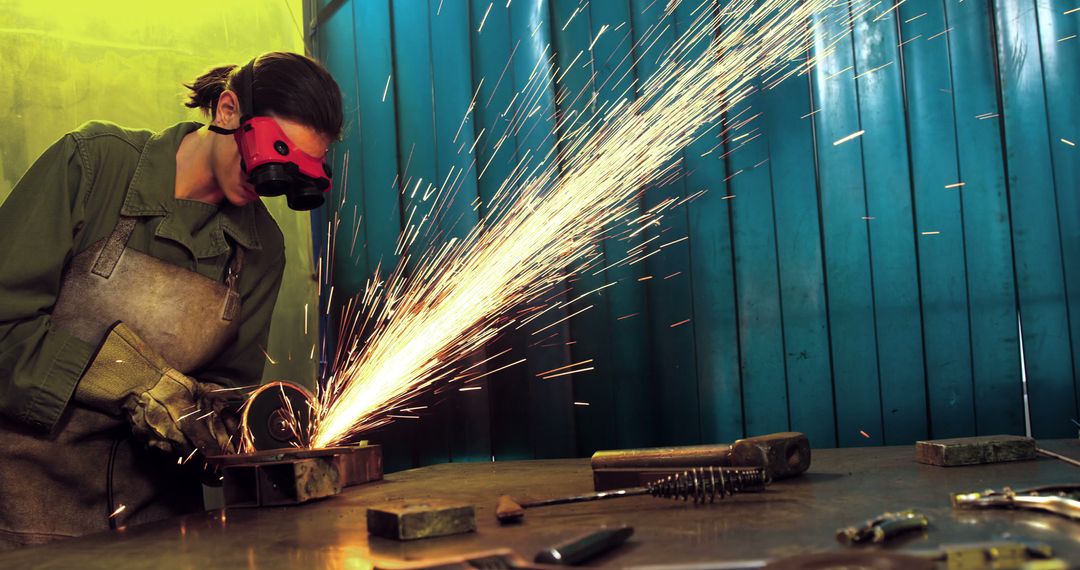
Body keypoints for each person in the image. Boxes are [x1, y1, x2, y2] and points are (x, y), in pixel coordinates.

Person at [0, 52, 343, 549]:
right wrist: (135, 382)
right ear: (228, 112)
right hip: (22, 511)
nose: (266, 180)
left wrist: (229, 428)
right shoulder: (94, 167)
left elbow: (226, 394)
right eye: (273, 153)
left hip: (161, 524)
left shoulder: (260, 248)